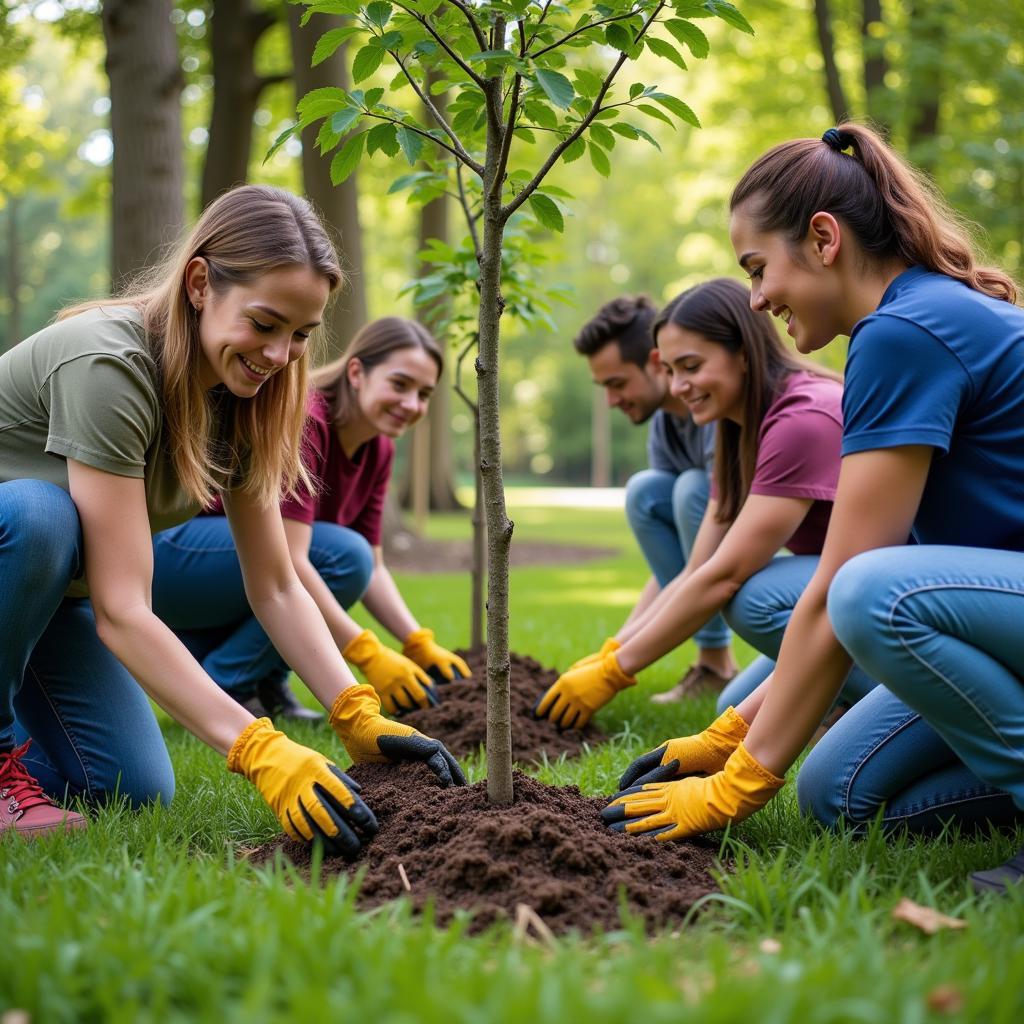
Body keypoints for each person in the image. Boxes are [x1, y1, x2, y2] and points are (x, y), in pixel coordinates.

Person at [604, 125, 1024, 894]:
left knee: (872, 593)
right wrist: (729, 734)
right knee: (837, 795)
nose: (757, 298)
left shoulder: (904, 332)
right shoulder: (904, 320)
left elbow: (841, 592)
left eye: (758, 269)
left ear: (823, 239)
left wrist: (736, 783)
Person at [0, 184, 463, 851]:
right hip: (19, 552)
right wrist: (259, 749)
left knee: (133, 789)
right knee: (41, 515)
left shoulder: (248, 395)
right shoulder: (109, 365)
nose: (279, 355)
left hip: (46, 601)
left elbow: (275, 583)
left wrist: (352, 709)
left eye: (301, 335)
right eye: (265, 323)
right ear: (198, 283)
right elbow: (124, 607)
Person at [536, 278, 848, 732]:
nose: (678, 387)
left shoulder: (800, 418)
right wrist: (610, 653)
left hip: (881, 598)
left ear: (742, 352)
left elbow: (723, 576)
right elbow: (697, 569)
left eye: (691, 367)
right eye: (673, 371)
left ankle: (870, 688)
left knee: (752, 597)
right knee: (734, 698)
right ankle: (844, 694)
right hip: (838, 585)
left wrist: (613, 673)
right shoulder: (734, 429)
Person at [151, 316, 471, 721]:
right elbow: (296, 562)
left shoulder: (378, 449)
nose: (411, 404)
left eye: (424, 394)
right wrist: (366, 653)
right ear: (356, 372)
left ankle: (264, 680)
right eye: (400, 384)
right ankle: (227, 682)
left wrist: (416, 642)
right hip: (175, 558)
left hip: (230, 569)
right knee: (340, 556)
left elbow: (373, 567)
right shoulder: (306, 418)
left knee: (348, 557)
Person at [571, 296, 758, 699]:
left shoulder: (716, 416)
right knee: (645, 491)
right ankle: (714, 666)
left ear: (655, 362)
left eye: (617, 384)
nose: (611, 400)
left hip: (752, 545)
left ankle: (714, 659)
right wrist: (614, 648)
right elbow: (671, 572)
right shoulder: (665, 425)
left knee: (692, 486)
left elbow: (700, 563)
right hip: (709, 552)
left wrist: (615, 667)